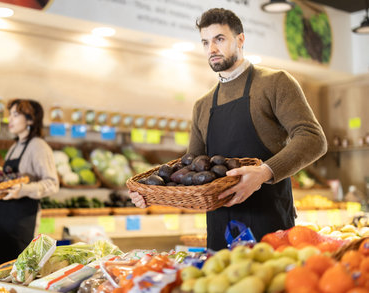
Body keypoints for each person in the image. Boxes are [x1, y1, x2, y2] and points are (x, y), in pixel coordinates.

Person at [129, 8, 327, 250]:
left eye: (219, 39)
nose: (211, 49)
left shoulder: (275, 83)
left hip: (270, 224)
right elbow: (189, 169)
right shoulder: (202, 105)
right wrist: (151, 190)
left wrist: (264, 172)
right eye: (205, 42)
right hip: (219, 230)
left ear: (240, 39)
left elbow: (313, 138)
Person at [0, 99, 59, 268]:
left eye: (15, 115)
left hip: (22, 221)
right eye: (10, 114)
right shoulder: (15, 146)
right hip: (1, 217)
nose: (9, 119)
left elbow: (52, 184)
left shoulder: (38, 146)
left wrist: (23, 189)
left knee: (15, 269)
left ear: (30, 120)